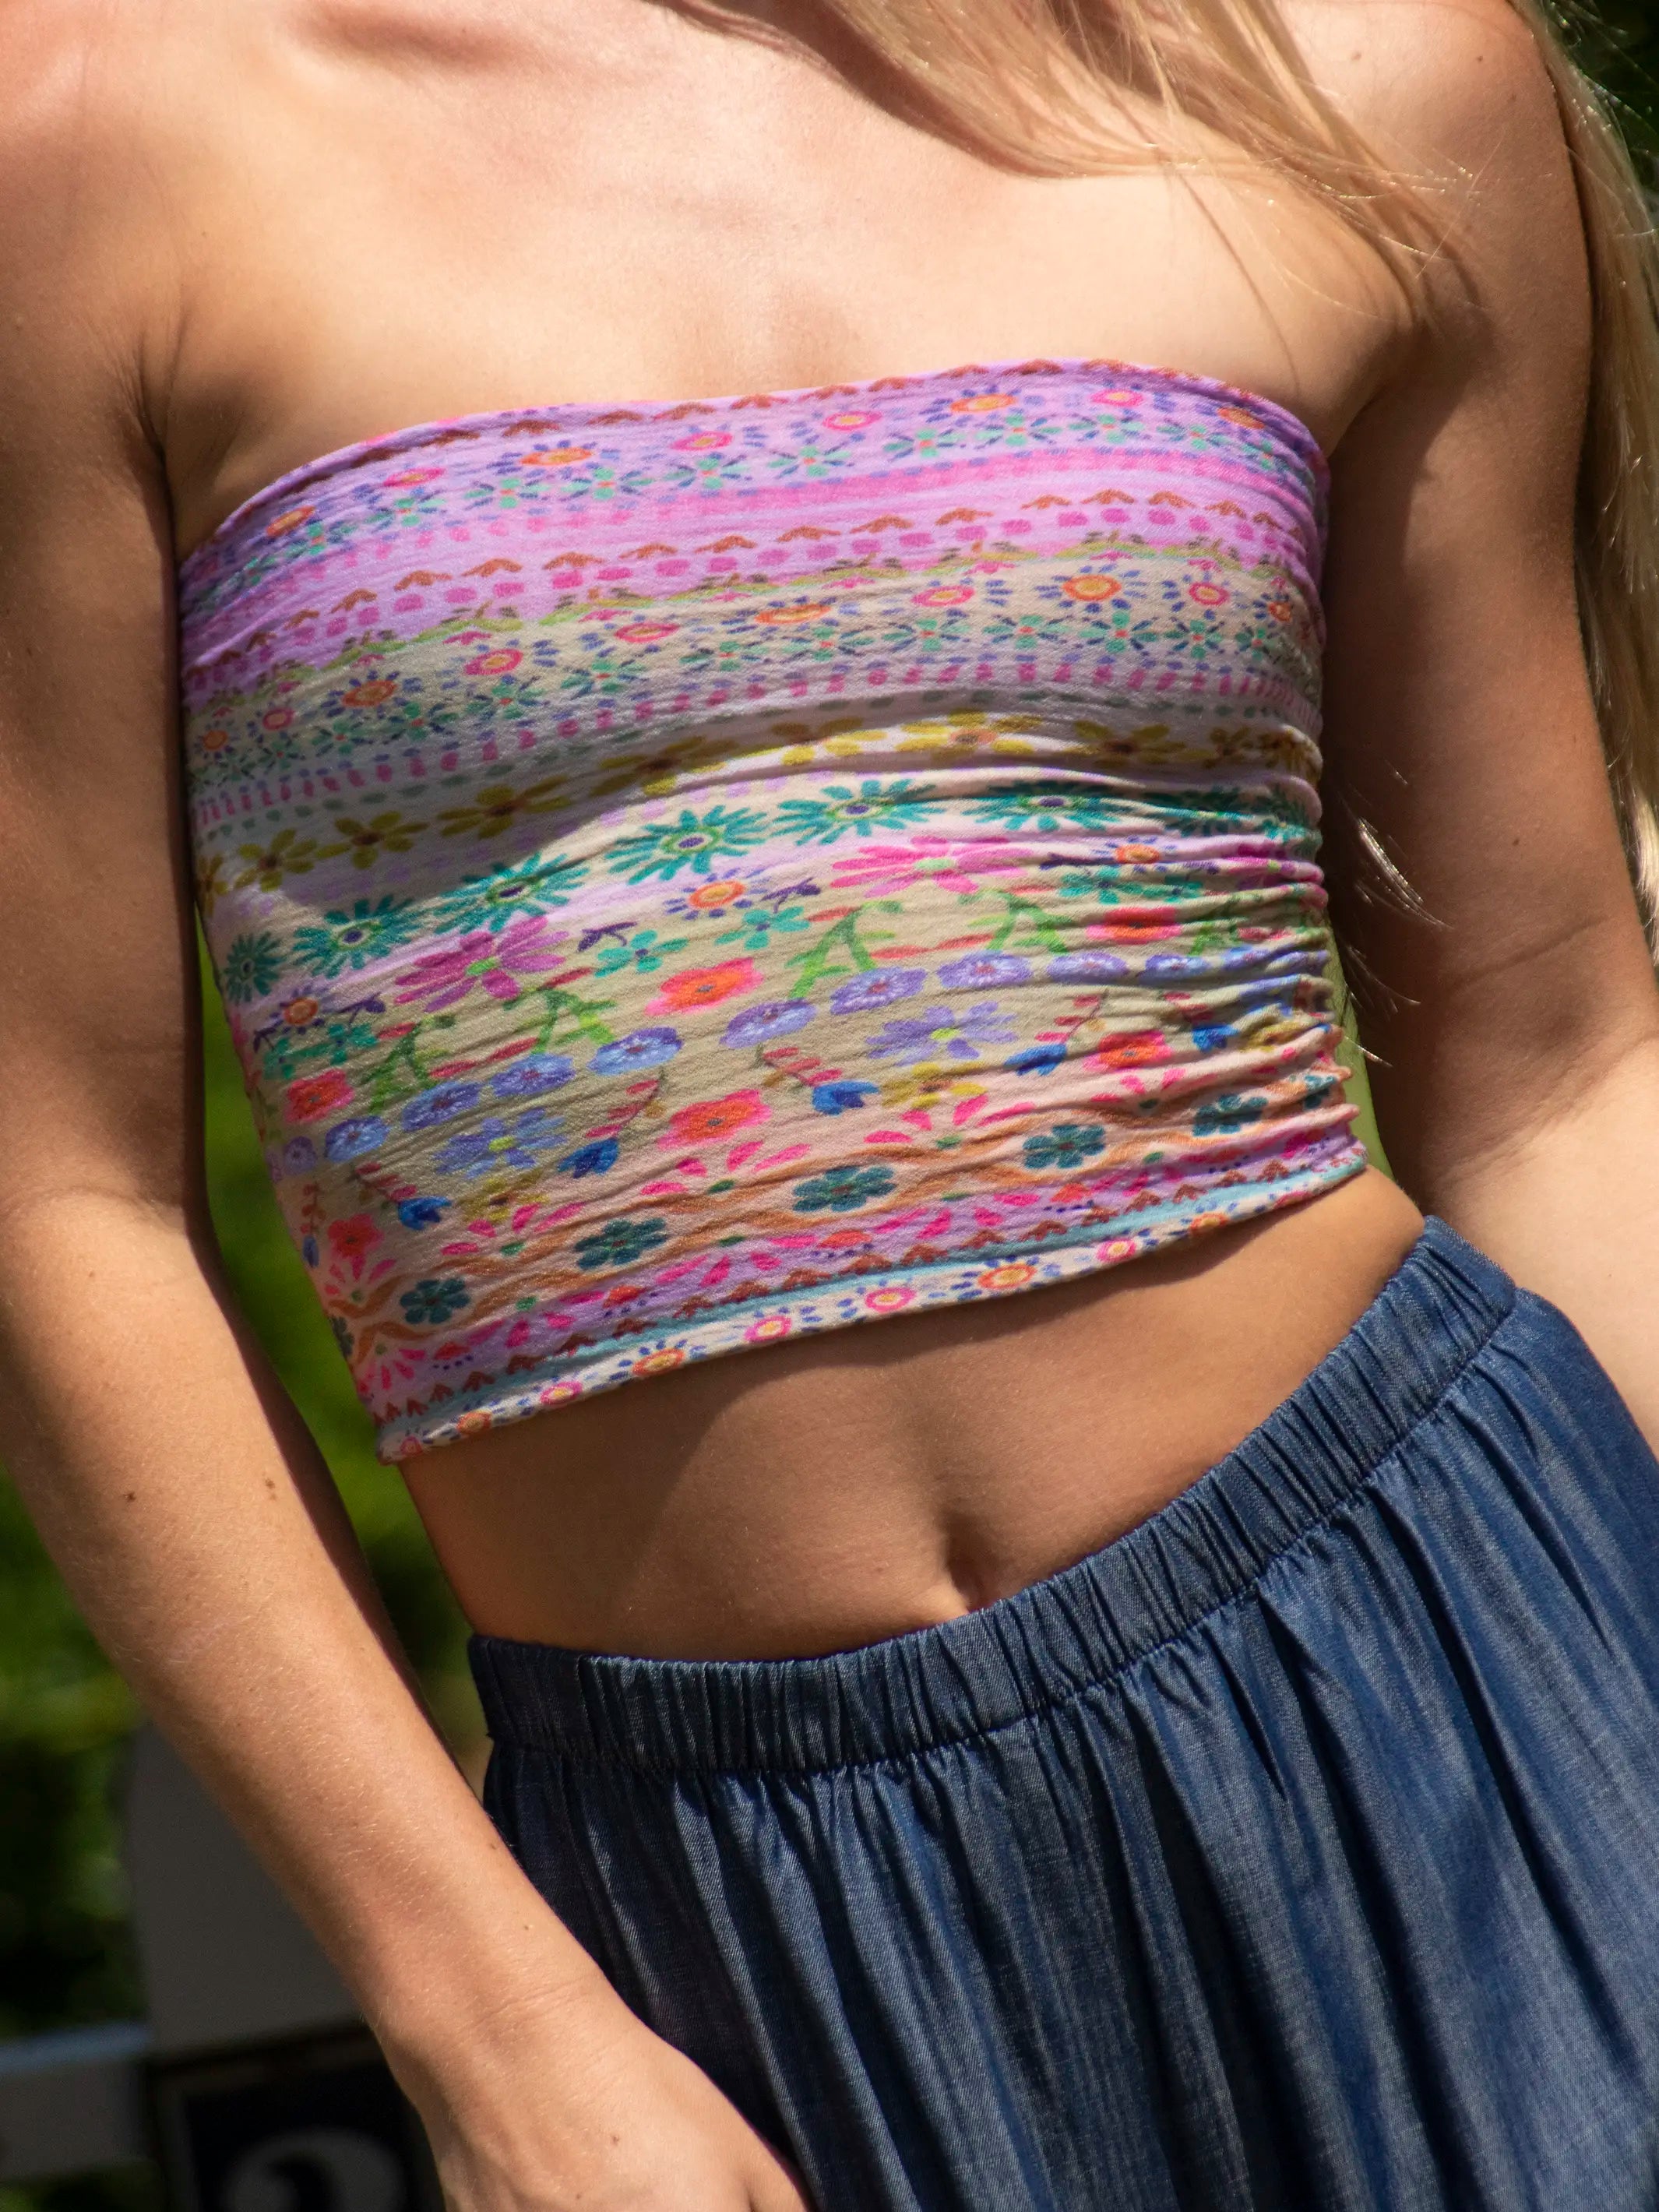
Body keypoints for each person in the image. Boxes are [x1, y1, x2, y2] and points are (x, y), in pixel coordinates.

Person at [3, 0, 1659, 2202]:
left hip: (1464, 1660)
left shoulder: (1344, 67)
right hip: (730, 1907)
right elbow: (59, 1194)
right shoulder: (88, 134)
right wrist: (489, 2024)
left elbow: (1551, 1065)